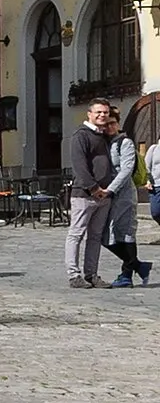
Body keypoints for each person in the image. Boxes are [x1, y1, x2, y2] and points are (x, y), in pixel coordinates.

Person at [67, 97, 116, 289]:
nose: (102, 115)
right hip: (84, 195)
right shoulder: (81, 135)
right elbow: (80, 166)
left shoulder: (104, 136)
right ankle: (73, 275)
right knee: (76, 235)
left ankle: (92, 274)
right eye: (99, 112)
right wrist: (94, 188)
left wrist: (107, 190)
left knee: (95, 236)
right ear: (89, 114)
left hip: (104, 196)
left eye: (105, 112)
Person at [104, 112, 149, 287]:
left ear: (118, 123)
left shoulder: (125, 143)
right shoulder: (104, 143)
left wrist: (110, 190)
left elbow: (126, 169)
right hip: (109, 196)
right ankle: (138, 266)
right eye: (106, 124)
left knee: (126, 232)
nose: (109, 127)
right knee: (106, 236)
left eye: (112, 123)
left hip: (124, 195)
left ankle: (127, 275)